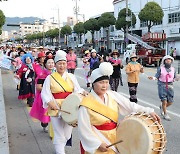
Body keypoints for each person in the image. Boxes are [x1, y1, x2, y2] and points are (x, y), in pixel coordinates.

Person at [78, 62, 160, 154]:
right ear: (93, 83)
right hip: (98, 140)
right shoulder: (85, 104)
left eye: (106, 82)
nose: (105, 86)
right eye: (101, 83)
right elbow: (83, 129)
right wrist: (97, 144)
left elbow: (131, 106)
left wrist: (148, 111)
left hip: (114, 140)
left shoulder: (112, 95)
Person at [41, 50, 87, 154]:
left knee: (67, 134)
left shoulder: (71, 77)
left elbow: (77, 89)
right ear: (55, 65)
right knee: (59, 133)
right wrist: (49, 102)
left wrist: (83, 92)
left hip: (69, 107)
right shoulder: (50, 77)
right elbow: (45, 93)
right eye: (59, 64)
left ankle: (60, 146)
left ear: (66, 64)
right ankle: (60, 152)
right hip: (56, 106)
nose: (62, 66)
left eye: (64, 63)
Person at [148, 55, 179, 121]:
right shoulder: (160, 68)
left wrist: (177, 78)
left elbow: (175, 78)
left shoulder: (173, 69)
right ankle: (165, 114)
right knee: (164, 101)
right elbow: (157, 76)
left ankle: (162, 107)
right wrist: (153, 78)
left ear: (171, 61)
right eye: (166, 60)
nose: (168, 61)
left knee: (170, 101)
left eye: (169, 60)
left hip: (170, 85)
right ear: (164, 61)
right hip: (162, 85)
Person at [30, 57, 55, 132]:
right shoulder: (42, 75)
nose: (51, 64)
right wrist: (47, 91)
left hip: (53, 97)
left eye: (52, 63)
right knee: (45, 112)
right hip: (44, 97)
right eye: (49, 63)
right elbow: (38, 87)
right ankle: (45, 125)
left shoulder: (56, 74)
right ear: (45, 65)